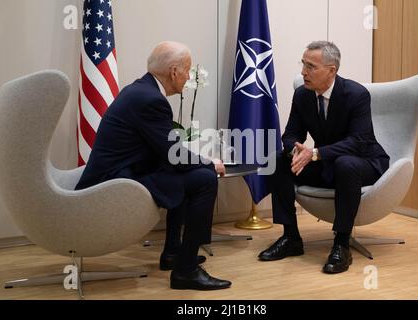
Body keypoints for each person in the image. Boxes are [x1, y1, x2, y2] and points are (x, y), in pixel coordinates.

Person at [75, 41, 231, 290]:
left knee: (193, 172)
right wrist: (209, 163)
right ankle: (186, 271)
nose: (188, 77)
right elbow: (172, 154)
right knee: (205, 179)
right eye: (187, 70)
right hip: (114, 184)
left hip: (125, 173)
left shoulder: (142, 90)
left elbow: (166, 152)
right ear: (174, 72)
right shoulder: (149, 99)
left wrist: (200, 163)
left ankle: (173, 253)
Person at [258, 41, 390, 273]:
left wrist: (316, 153)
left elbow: (358, 141)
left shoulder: (356, 94)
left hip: (364, 162)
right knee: (278, 160)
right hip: (328, 164)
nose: (303, 72)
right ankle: (291, 238)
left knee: (345, 163)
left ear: (332, 70)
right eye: (303, 64)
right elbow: (291, 134)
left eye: (311, 66)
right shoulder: (302, 95)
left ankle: (341, 244)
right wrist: (296, 150)